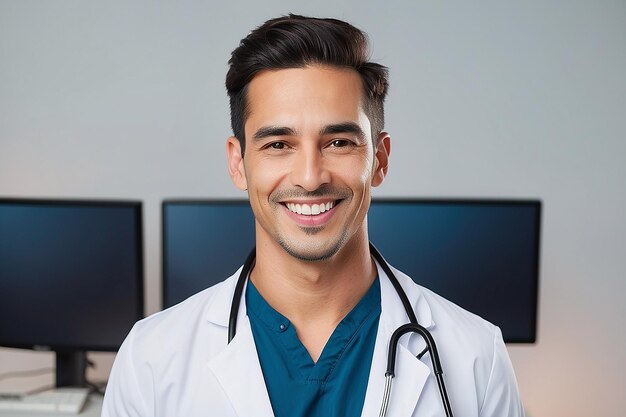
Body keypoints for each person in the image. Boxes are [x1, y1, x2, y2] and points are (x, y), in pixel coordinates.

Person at [102, 14, 525, 417]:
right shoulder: (151, 361)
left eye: (339, 142)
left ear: (379, 160)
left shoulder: (476, 358)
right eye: (278, 144)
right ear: (238, 162)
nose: (309, 177)